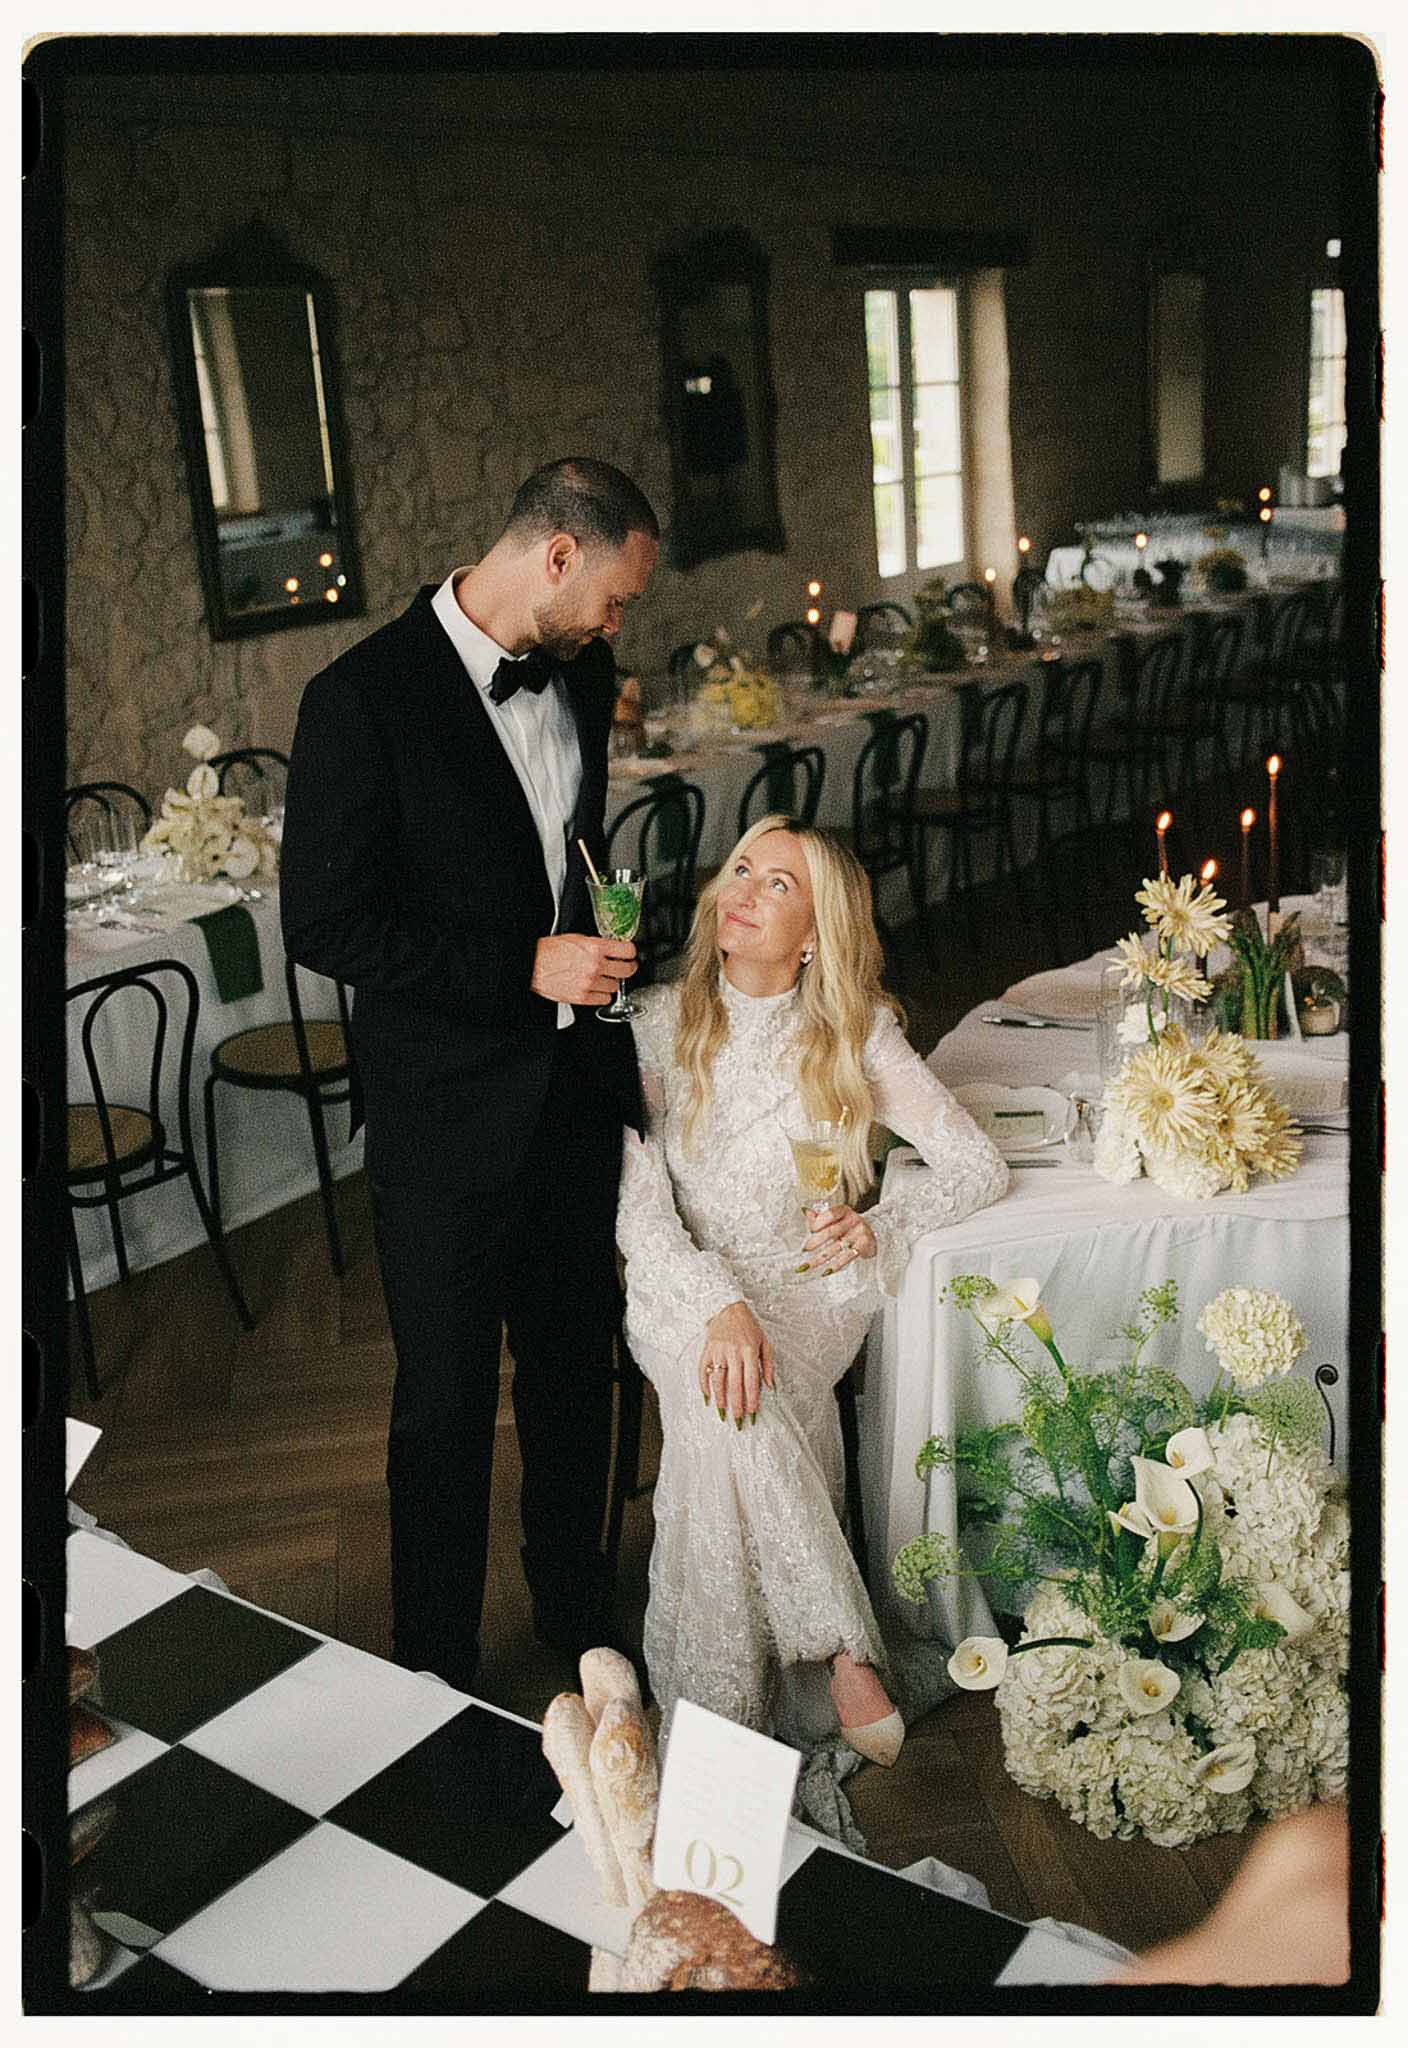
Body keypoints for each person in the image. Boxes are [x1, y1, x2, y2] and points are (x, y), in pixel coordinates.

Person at [280, 457, 658, 1693]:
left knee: (575, 1365)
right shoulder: (359, 701)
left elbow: (565, 836)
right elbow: (326, 924)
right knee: (442, 1402)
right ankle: (429, 1665)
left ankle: (577, 1610)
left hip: (570, 1098)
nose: (616, 627)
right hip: (445, 1113)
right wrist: (524, 965)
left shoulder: (582, 670)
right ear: (556, 556)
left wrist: (597, 933)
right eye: (611, 597)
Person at [615, 815, 1009, 1764]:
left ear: (817, 936)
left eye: (779, 885)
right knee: (728, 1392)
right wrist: (715, 1299)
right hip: (683, 1287)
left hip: (806, 1289)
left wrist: (881, 1223)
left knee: (730, 1405)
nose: (743, 892)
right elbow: (636, 1206)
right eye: (741, 868)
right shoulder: (658, 1023)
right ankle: (841, 1650)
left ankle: (718, 1744)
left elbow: (973, 1165)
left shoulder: (855, 1035)